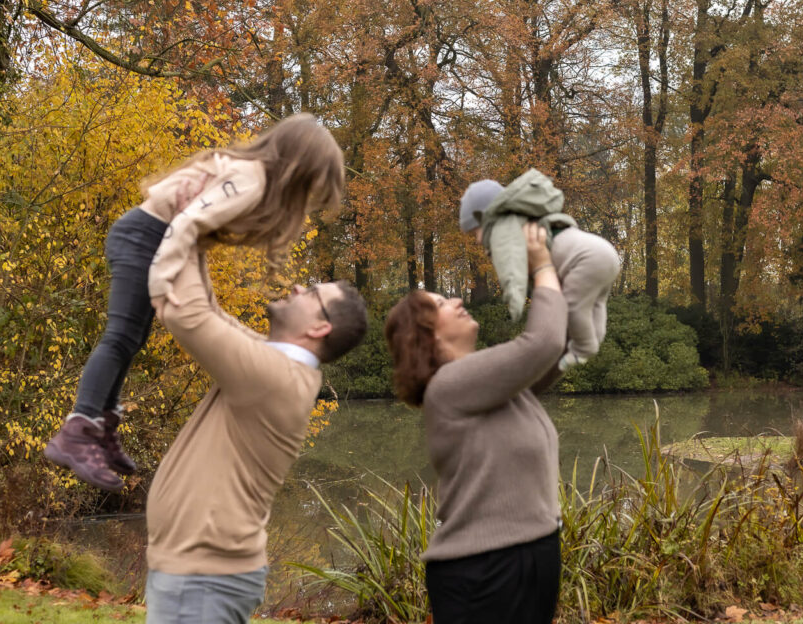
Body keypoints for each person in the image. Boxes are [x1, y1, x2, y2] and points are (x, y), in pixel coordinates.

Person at [45, 113, 345, 492]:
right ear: (300, 165)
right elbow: (185, 225)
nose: (309, 194)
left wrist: (202, 293)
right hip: (144, 237)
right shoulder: (252, 180)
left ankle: (102, 424)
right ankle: (78, 430)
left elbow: (195, 237)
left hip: (148, 235)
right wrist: (161, 280)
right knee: (119, 338)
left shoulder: (245, 171)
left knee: (130, 341)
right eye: (313, 182)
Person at [145, 240, 368, 624]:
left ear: (320, 326)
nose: (299, 287)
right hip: (200, 573)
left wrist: (194, 221)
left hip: (203, 576)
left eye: (312, 293)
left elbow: (186, 312)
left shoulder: (274, 377)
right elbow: (209, 310)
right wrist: (200, 237)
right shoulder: (276, 366)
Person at [384, 223, 566, 624]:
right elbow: (544, 342)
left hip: (529, 553)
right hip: (483, 569)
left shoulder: (489, 387)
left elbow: (558, 348)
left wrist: (573, 276)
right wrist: (540, 265)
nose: (457, 298)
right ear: (424, 334)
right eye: (440, 302)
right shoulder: (449, 386)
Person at [459, 169, 620, 371]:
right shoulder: (528, 219)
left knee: (571, 307)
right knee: (596, 302)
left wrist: (514, 298)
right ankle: (594, 339)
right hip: (603, 251)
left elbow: (512, 265)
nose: (477, 239)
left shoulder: (506, 231)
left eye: (475, 231)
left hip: (585, 260)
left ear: (485, 218)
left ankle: (583, 348)